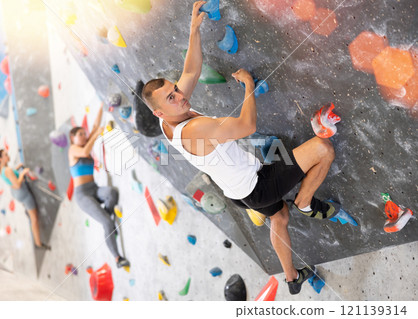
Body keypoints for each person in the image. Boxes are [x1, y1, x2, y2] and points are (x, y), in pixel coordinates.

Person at [141, 1, 337, 294]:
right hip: (257, 185)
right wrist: (248, 86)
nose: (181, 96)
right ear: (159, 112)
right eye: (172, 97)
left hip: (237, 194)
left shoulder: (167, 121)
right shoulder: (195, 129)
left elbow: (192, 71)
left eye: (175, 90)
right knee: (323, 149)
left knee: (280, 216)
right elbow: (247, 127)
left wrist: (193, 29)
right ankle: (306, 202)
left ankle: (292, 278)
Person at [68, 106, 130, 269]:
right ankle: (117, 258)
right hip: (83, 195)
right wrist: (95, 135)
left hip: (93, 188)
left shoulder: (86, 144)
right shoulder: (73, 150)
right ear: (72, 138)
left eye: (84, 133)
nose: (83, 136)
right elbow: (86, 149)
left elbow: (95, 125)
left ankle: (108, 222)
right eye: (79, 134)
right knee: (107, 224)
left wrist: (102, 106)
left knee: (111, 193)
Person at [0, 150, 50, 250]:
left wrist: (17, 168)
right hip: (22, 192)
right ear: (1, 159)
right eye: (6, 155)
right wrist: (23, 173)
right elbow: (17, 184)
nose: (8, 155)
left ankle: (28, 210)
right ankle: (38, 243)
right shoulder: (7, 170)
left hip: (16, 193)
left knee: (30, 212)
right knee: (34, 218)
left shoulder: (2, 169)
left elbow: (10, 175)